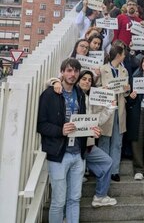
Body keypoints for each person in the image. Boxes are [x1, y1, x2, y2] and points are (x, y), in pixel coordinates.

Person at [37, 58, 100, 222]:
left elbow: (82, 123)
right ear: (63, 72)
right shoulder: (50, 94)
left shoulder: (80, 94)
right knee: (58, 201)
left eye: (76, 71)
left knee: (74, 199)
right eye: (69, 71)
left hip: (77, 155)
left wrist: (92, 130)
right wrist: (60, 131)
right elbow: (41, 125)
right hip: (58, 155)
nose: (73, 74)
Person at [96, 45, 130, 182]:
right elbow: (96, 87)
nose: (124, 56)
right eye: (123, 54)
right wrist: (102, 88)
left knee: (117, 141)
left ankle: (114, 170)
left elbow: (125, 91)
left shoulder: (124, 70)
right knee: (104, 139)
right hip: (106, 108)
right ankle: (104, 169)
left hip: (119, 108)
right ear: (118, 55)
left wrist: (127, 89)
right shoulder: (103, 69)